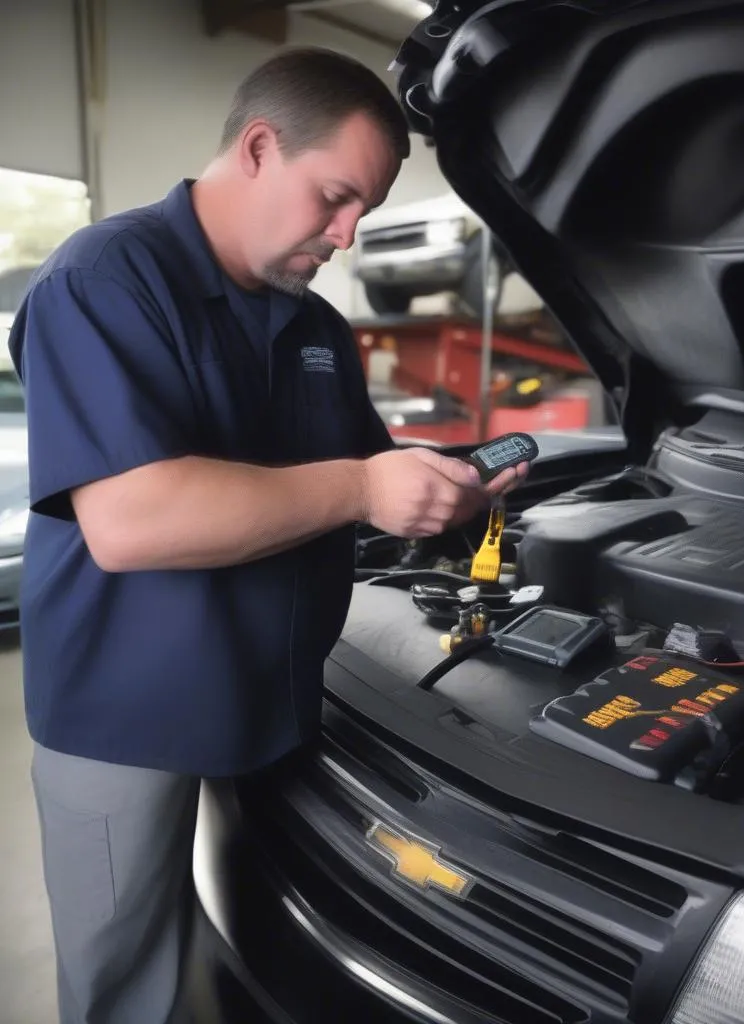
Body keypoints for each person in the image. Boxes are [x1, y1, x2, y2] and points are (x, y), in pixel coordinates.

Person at [8, 46, 524, 1024]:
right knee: (125, 976)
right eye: (335, 197)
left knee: (247, 938)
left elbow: (364, 480)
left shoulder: (317, 327)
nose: (347, 234)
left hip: (276, 701)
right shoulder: (106, 278)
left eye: (363, 211)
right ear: (256, 149)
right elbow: (132, 519)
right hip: (125, 716)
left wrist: (449, 481)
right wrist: (363, 485)